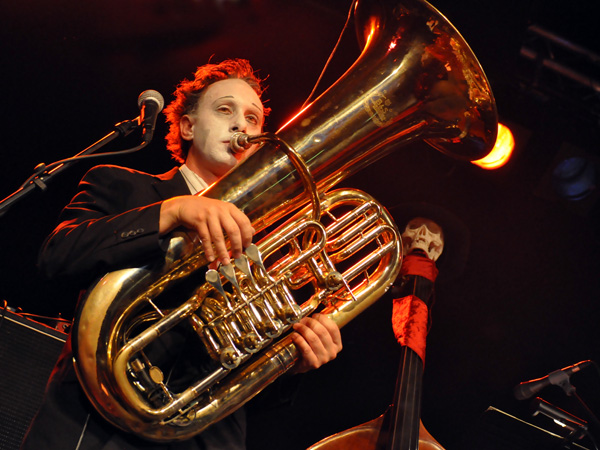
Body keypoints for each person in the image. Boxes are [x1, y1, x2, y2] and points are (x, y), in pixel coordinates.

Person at [21, 58, 343, 450]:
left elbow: (249, 392)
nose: (242, 125)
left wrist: (295, 360)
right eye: (225, 110)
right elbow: (57, 256)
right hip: (97, 429)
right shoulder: (121, 185)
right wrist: (172, 212)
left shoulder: (269, 244)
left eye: (254, 119)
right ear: (187, 126)